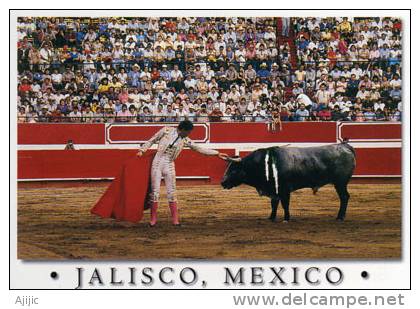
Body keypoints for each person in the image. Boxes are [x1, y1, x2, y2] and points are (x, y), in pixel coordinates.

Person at [137, 120, 229, 226]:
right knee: (155, 192)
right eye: (188, 132)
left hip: (170, 164)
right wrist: (142, 150)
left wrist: (217, 153)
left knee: (172, 193)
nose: (189, 134)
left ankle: (175, 221)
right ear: (183, 129)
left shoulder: (185, 140)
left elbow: (200, 149)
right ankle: (153, 221)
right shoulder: (166, 130)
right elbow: (152, 140)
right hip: (157, 163)